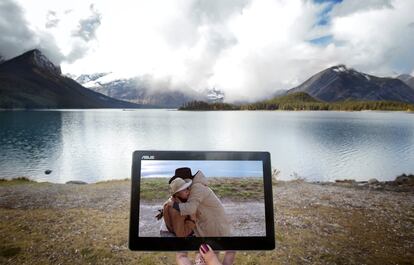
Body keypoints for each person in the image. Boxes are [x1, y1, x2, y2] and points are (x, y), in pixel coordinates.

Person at [169, 169, 231, 237]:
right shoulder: (194, 187)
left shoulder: (197, 187)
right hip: (211, 220)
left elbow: (191, 208)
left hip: (214, 222)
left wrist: (173, 204)